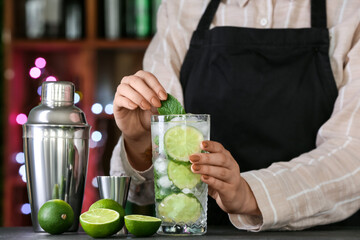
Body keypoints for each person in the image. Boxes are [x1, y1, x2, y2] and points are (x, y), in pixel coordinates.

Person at [110, 0, 360, 231]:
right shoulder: (183, 6)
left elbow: (353, 154)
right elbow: (144, 191)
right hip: (201, 232)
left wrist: (249, 193)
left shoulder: (350, 8)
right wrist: (140, 141)